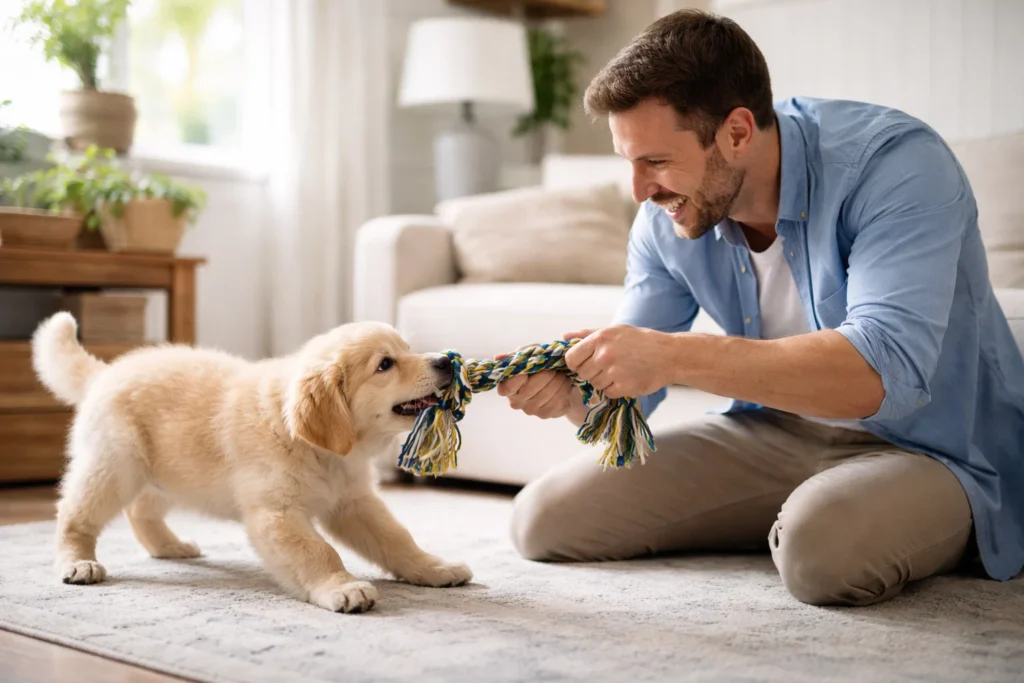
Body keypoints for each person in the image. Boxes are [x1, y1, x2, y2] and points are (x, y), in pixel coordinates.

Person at [496, 8, 1024, 607]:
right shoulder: (665, 216)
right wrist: (578, 392)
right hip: (776, 431)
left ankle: (826, 517)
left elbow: (882, 374)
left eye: (658, 161)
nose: (640, 192)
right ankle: (804, 510)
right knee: (543, 520)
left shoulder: (895, 166)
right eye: (630, 162)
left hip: (930, 447)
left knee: (822, 552)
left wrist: (672, 355)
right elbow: (630, 394)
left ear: (738, 133)